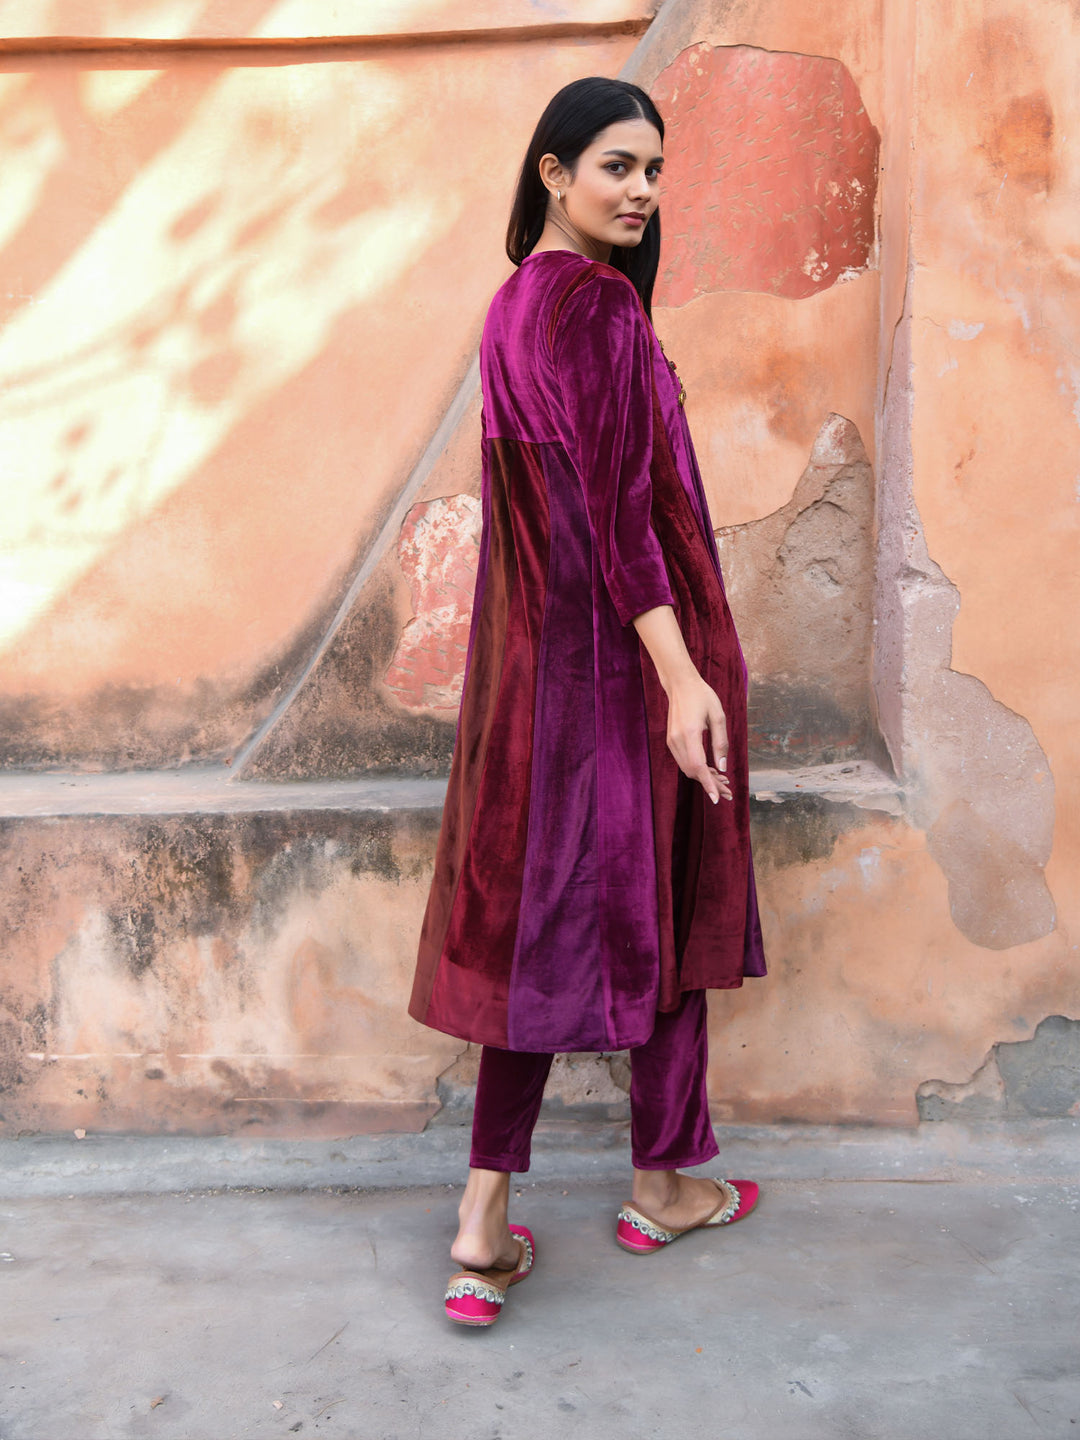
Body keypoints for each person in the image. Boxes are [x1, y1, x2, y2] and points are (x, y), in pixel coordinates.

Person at [408, 76, 767, 1327]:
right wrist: (682, 679)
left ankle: (483, 1220)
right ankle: (662, 1185)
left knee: (529, 932)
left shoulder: (515, 304)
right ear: (552, 172)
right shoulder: (601, 308)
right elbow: (620, 521)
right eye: (617, 165)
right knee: (663, 913)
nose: (643, 190)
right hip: (626, 673)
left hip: (534, 683)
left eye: (655, 169)